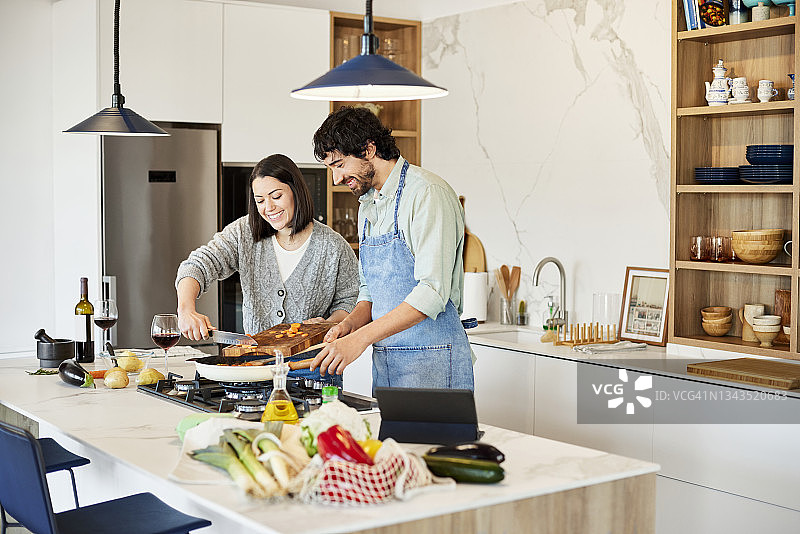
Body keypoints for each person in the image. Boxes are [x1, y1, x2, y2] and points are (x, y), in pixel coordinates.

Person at [309, 107, 475, 390]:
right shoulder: (368, 205)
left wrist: (360, 339)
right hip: (387, 364)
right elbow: (369, 291)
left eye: (339, 165)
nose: (336, 178)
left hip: (434, 363)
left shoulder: (426, 193)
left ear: (369, 149)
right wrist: (348, 326)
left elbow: (431, 292)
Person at [175, 153, 359, 342]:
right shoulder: (243, 233)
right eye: (260, 200)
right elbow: (198, 264)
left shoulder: (334, 247)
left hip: (312, 365)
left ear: (296, 191)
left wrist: (327, 325)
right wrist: (186, 309)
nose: (269, 207)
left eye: (276, 196)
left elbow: (351, 302)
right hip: (256, 365)